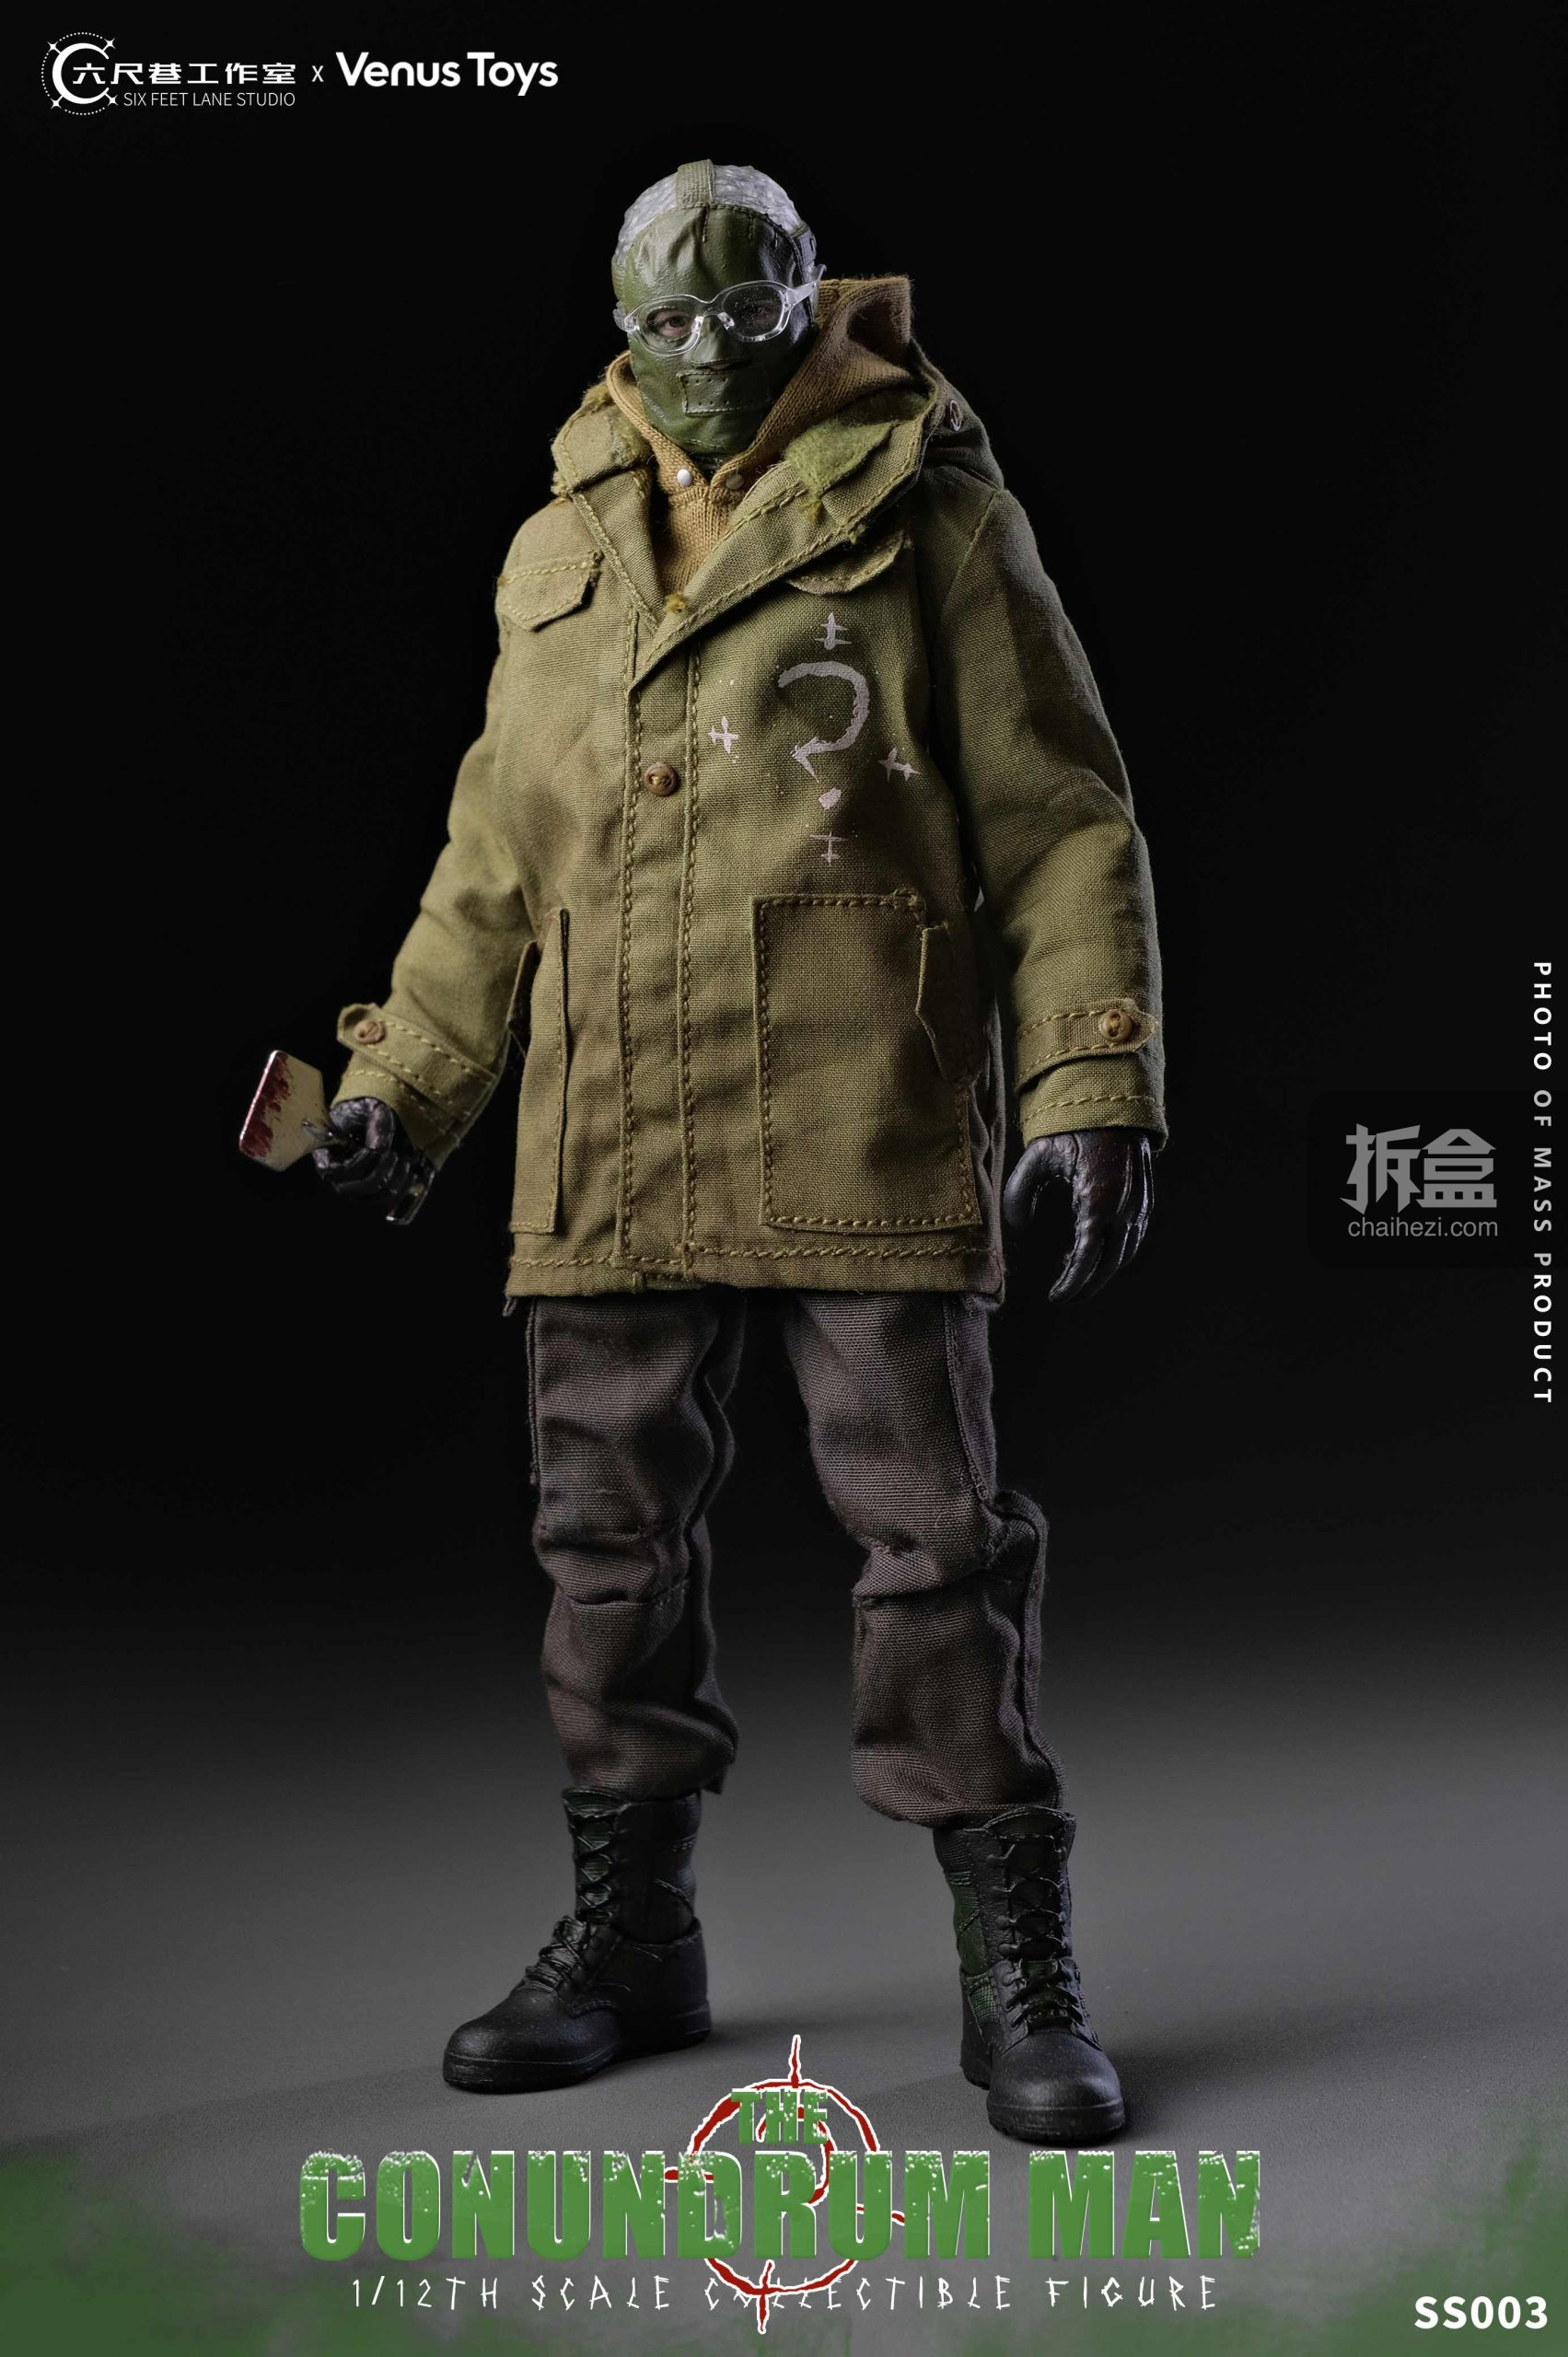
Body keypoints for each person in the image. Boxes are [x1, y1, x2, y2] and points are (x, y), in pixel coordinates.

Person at [316, 160, 1163, 2143]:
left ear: (808, 302)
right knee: (601, 1536)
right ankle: (634, 1936)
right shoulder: (560, 542)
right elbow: (493, 860)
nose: (706, 349)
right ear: (622, 325)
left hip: (856, 1088)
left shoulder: (930, 511)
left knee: (934, 1534)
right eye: (669, 317)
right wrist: (404, 1085)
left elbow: (1061, 822)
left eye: (744, 309)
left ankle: (1015, 1962)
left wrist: (1089, 1081)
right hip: (610, 1112)